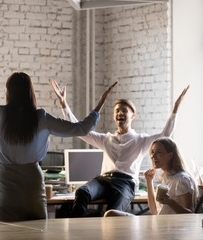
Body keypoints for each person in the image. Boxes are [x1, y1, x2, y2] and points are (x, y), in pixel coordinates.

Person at [0, 72, 117, 222]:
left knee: (3, 232)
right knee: (37, 232)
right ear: (31, 92)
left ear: (9, 92)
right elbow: (82, 128)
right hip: (32, 181)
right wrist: (99, 103)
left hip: (5, 181)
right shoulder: (41, 117)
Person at [51, 80, 189, 217]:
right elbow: (79, 129)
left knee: (112, 214)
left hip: (126, 183)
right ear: (114, 116)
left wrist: (175, 109)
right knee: (82, 192)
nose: (120, 113)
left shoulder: (140, 140)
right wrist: (64, 105)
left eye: (124, 110)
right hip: (103, 180)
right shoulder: (105, 139)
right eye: (117, 111)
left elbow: (165, 135)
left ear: (132, 115)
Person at [104, 137, 197, 216]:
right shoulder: (167, 177)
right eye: (152, 152)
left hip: (168, 229)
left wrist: (170, 201)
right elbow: (154, 211)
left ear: (170, 155)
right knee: (110, 214)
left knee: (111, 214)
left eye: (158, 152)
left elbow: (189, 214)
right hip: (158, 224)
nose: (153, 156)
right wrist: (149, 181)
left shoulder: (182, 179)